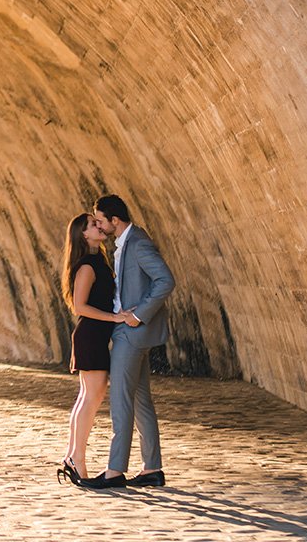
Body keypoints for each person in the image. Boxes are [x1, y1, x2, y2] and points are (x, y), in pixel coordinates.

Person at [81, 193, 175, 491]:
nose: (98, 224)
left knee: (121, 401)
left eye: (100, 220)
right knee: (141, 400)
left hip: (132, 333)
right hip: (131, 331)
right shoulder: (124, 243)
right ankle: (152, 468)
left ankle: (114, 471)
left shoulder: (138, 244)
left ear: (115, 221)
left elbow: (165, 280)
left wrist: (139, 316)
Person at [57, 213, 127, 486]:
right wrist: (115, 318)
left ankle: (71, 457)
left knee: (87, 397)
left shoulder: (99, 260)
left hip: (94, 335)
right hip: (90, 335)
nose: (99, 226)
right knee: (90, 398)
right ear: (83, 235)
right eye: (92, 225)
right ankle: (78, 460)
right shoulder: (87, 265)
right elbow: (80, 306)